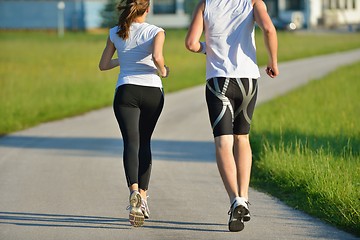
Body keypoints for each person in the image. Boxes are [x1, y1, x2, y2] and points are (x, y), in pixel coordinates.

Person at [185, 0, 279, 232]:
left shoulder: (205, 4)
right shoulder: (254, 2)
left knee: (223, 142)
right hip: (248, 79)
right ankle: (245, 197)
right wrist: (273, 61)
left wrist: (207, 48)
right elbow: (268, 28)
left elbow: (190, 43)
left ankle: (235, 199)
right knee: (242, 138)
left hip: (218, 81)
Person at [99, 0, 169, 227]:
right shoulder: (156, 31)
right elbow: (158, 58)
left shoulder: (115, 32)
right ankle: (145, 199)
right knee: (145, 142)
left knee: (131, 143)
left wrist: (125, 58)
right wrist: (164, 71)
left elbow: (103, 64)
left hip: (126, 91)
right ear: (147, 9)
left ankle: (134, 194)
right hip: (151, 91)